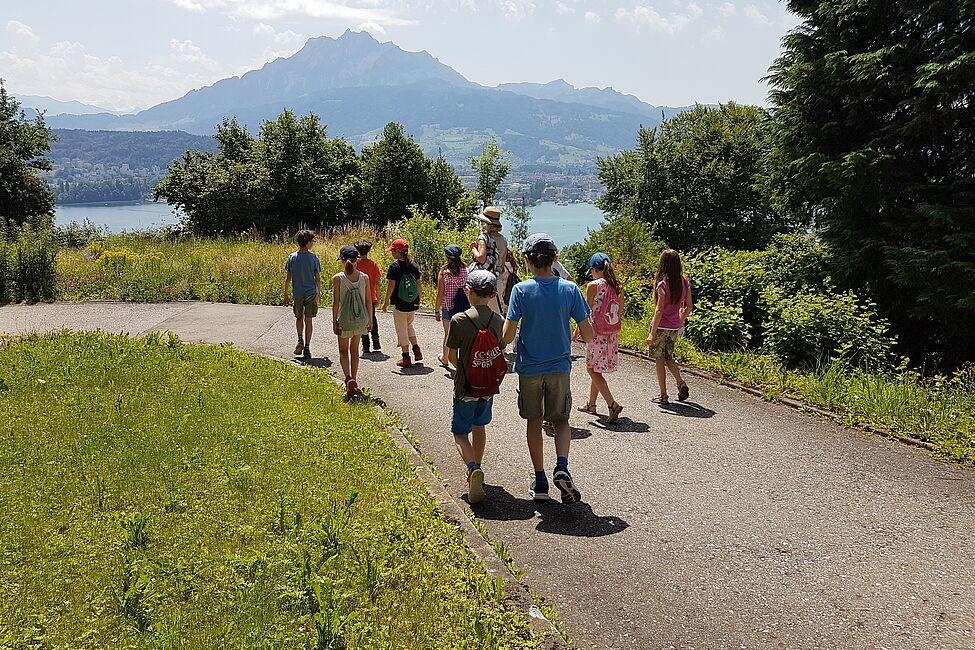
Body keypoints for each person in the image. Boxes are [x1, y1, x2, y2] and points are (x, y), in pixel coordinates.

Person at [502, 233, 594, 504]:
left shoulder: (521, 290)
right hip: (559, 367)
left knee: (534, 421)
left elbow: (508, 337)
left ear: (527, 260)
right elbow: (589, 335)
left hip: (529, 368)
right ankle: (562, 467)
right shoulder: (570, 289)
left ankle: (540, 480)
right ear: (555, 258)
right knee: (561, 420)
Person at [445, 270, 506, 505]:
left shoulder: (459, 320)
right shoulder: (498, 320)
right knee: (479, 426)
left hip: (466, 387)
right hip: (487, 387)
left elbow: (452, 358)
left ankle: (472, 469)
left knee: (460, 433)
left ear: (467, 291)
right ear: (492, 295)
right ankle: (478, 465)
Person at [577, 252, 624, 422]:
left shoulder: (593, 286)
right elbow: (620, 311)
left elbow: (585, 311)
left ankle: (612, 404)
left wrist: (577, 332)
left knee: (591, 369)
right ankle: (591, 404)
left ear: (595, 270)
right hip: (611, 334)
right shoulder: (618, 286)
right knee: (596, 369)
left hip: (596, 334)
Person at [646, 249, 693, 404]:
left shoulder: (662, 285)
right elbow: (689, 306)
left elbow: (659, 310)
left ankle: (663, 395)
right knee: (668, 357)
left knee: (659, 360)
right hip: (674, 327)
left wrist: (652, 333)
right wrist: (680, 321)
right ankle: (680, 382)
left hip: (661, 327)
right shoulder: (684, 282)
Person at [332, 246, 372, 398]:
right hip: (361, 320)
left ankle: (348, 378)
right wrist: (370, 320)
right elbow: (368, 301)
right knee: (354, 350)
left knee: (343, 351)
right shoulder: (364, 277)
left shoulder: (338, 278)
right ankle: (354, 378)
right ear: (357, 261)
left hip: (345, 320)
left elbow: (336, 303)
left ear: (342, 261)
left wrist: (334, 321)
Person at [383, 238, 423, 368]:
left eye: (392, 251)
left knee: (402, 330)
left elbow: (391, 286)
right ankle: (416, 349)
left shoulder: (394, 267)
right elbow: (419, 285)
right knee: (409, 326)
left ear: (397, 252)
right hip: (412, 302)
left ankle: (406, 358)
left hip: (399, 303)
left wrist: (385, 302)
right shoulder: (414, 266)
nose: (391, 253)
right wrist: (418, 300)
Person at [283, 229, 321, 360]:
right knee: (308, 320)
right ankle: (307, 347)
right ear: (308, 242)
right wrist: (318, 292)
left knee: (299, 317)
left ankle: (300, 339)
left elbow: (288, 278)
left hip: (297, 293)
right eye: (312, 241)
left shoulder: (292, 257)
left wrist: (286, 294)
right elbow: (318, 278)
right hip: (310, 293)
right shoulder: (313, 258)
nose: (313, 243)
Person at [470, 206, 509, 315]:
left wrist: (473, 249)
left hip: (483, 279)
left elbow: (481, 258)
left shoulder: (484, 238)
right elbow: (502, 262)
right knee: (495, 312)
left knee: (480, 311)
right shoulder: (503, 239)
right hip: (497, 279)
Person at [435, 244, 469, 368]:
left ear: (447, 257)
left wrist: (436, 310)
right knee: (464, 335)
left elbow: (440, 294)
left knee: (448, 334)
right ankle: (462, 360)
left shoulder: (444, 272)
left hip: (448, 307)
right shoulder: (466, 270)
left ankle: (445, 358)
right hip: (464, 307)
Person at [354, 239, 382, 354]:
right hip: (371, 296)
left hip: (359, 297)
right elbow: (377, 283)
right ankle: (376, 340)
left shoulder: (355, 265)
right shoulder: (373, 264)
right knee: (372, 318)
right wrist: (378, 297)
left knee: (362, 320)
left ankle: (366, 345)